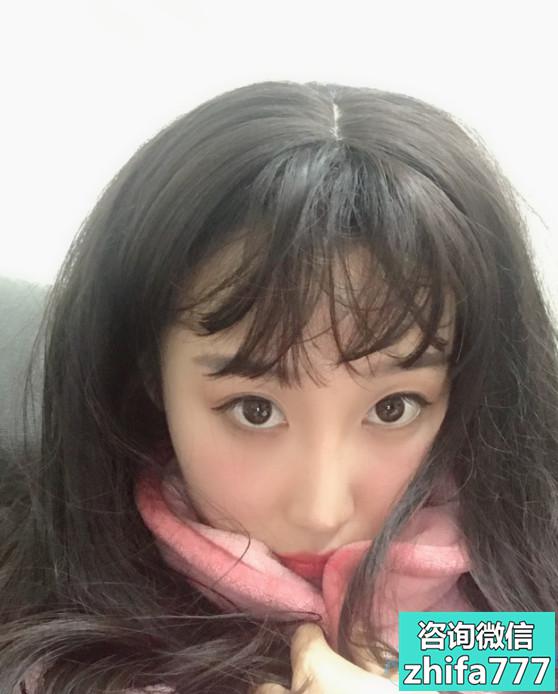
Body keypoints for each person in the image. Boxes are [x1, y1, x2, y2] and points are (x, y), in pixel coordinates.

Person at [0, 80, 556, 694]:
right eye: (255, 410)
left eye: (393, 408)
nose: (322, 512)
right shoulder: (67, 655)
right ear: (151, 376)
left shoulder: (495, 580)